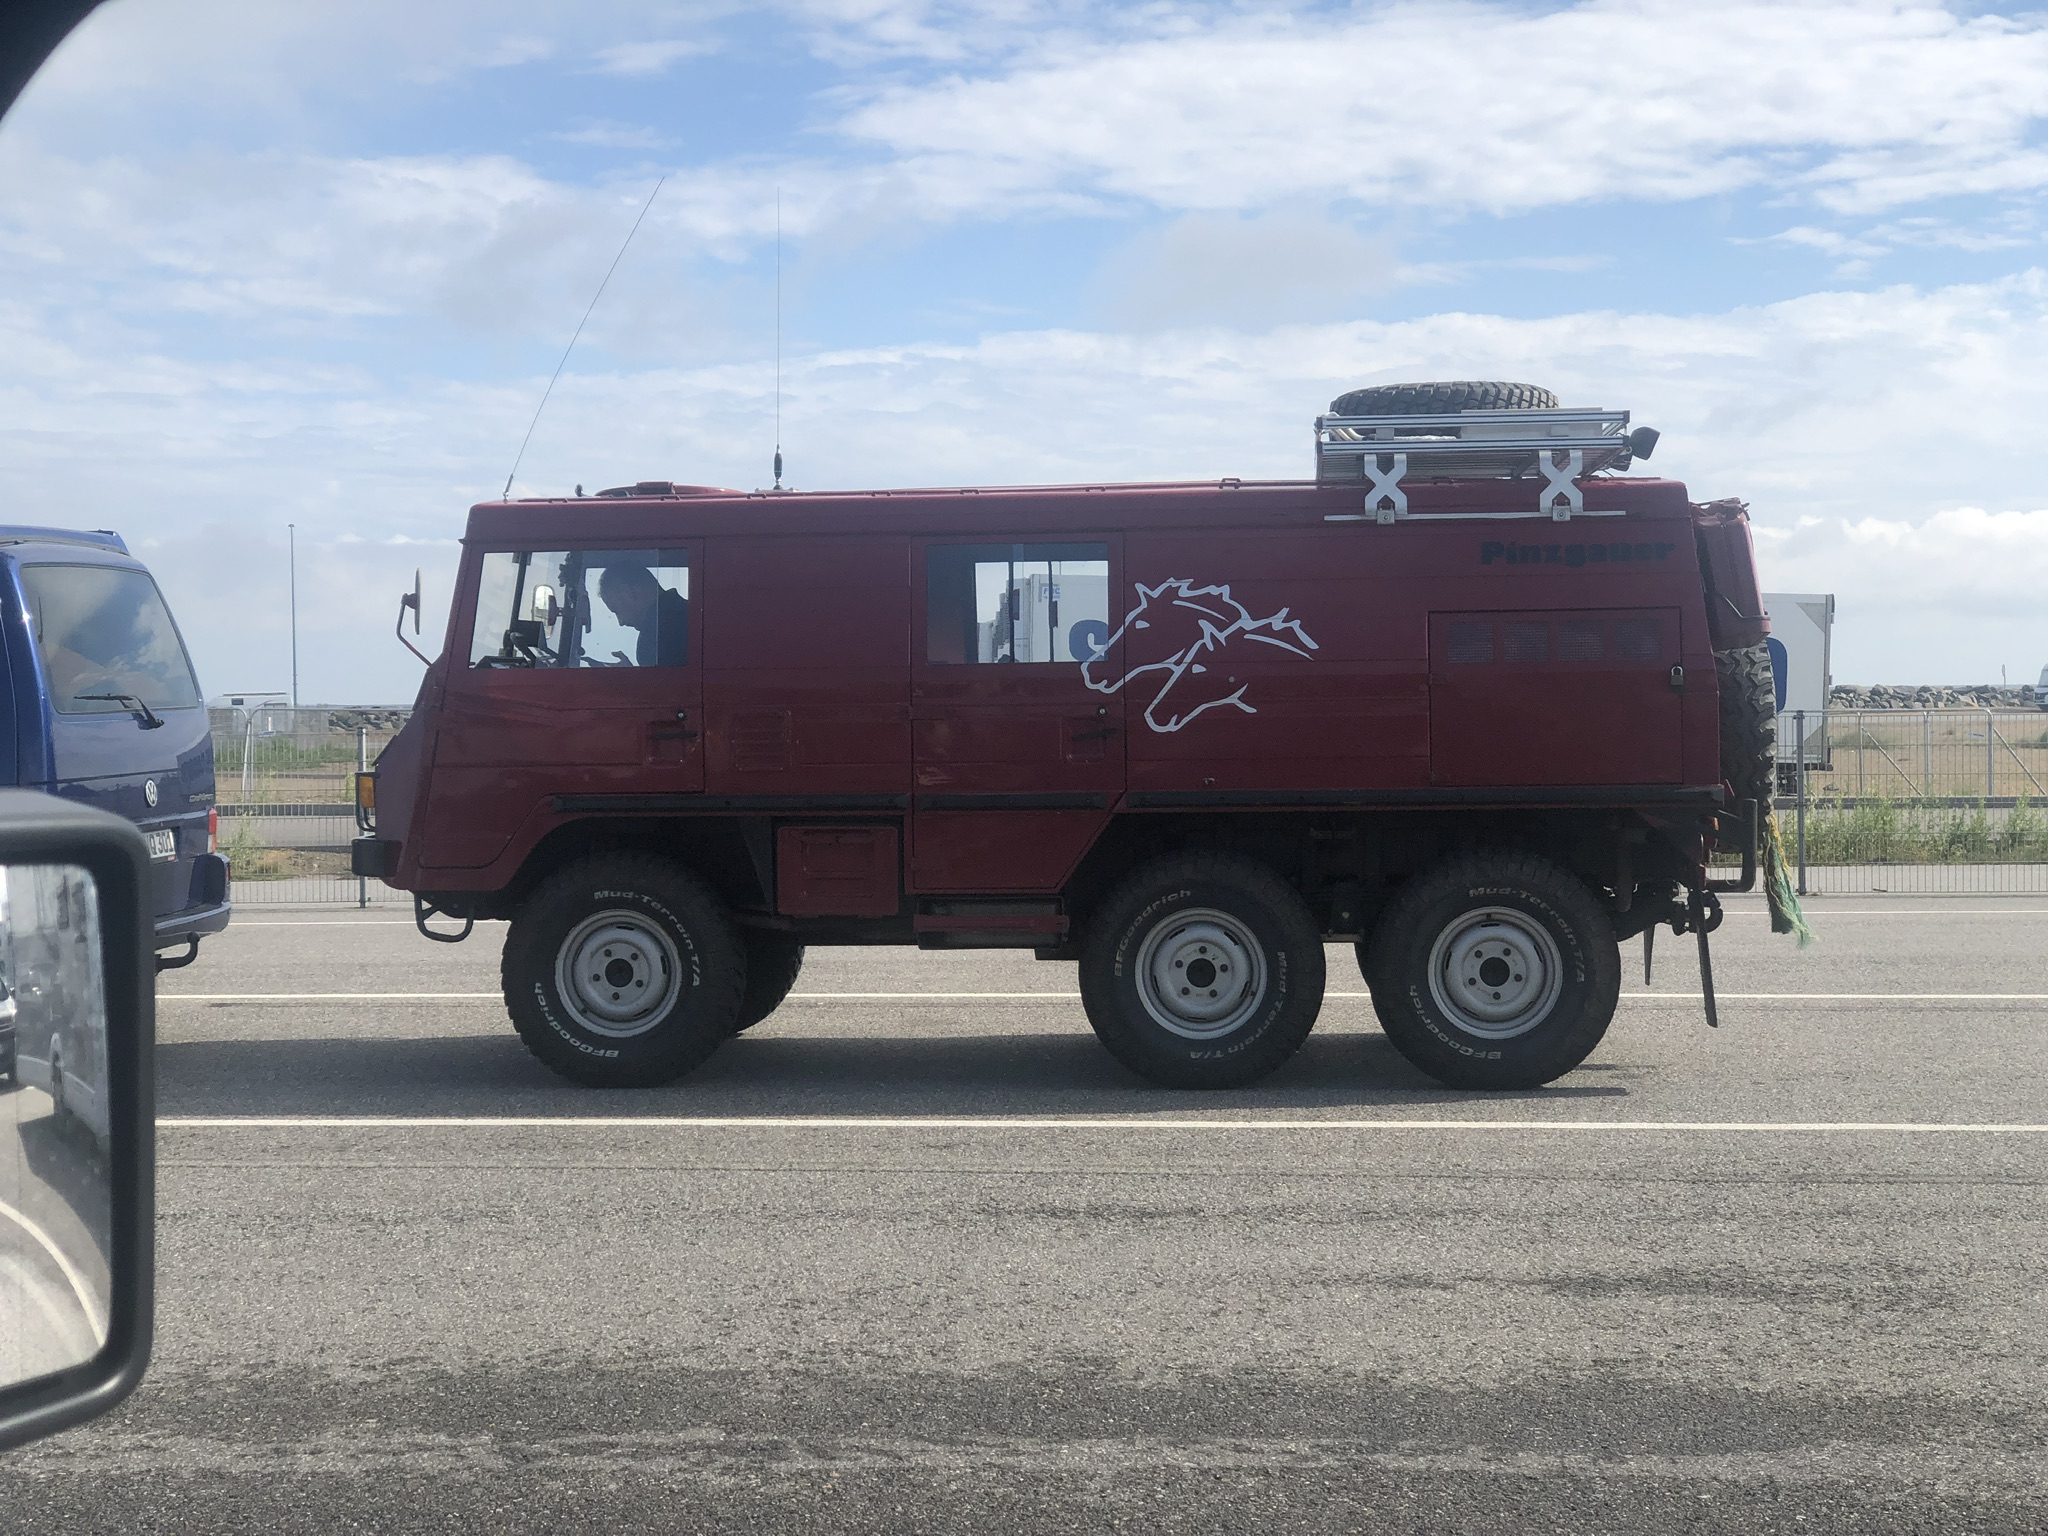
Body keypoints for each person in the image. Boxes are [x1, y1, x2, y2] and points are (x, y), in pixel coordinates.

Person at [596, 564, 689, 666]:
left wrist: (631, 679)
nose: (621, 622)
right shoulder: (695, 614)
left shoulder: (654, 640)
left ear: (628, 592)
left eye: (617, 611)